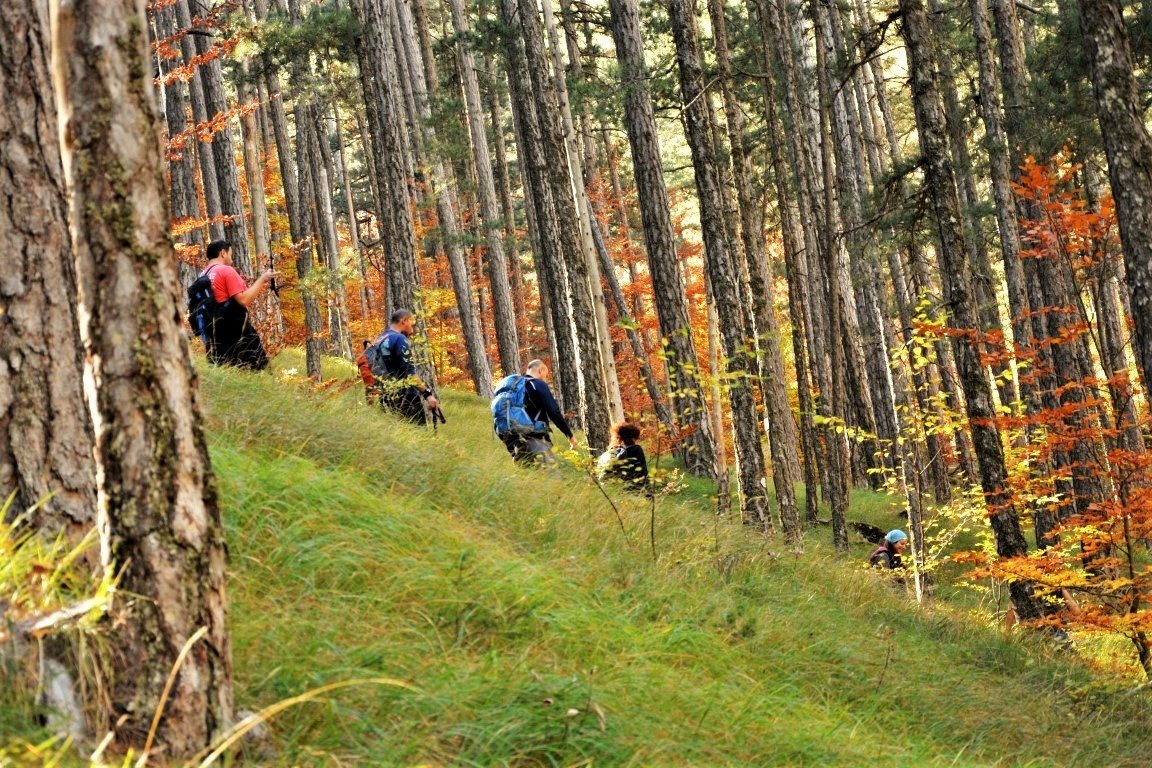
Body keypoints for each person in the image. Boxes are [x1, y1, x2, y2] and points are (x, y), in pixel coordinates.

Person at [200, 240, 278, 370]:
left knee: (222, 369)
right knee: (256, 369)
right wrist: (263, 279)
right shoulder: (226, 271)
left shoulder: (203, 274)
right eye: (230, 254)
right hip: (234, 328)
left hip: (212, 329)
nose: (231, 258)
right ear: (223, 253)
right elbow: (244, 300)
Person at [367, 309, 439, 425]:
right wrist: (428, 395)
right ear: (403, 321)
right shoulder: (400, 339)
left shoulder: (379, 339)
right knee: (418, 435)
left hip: (386, 397)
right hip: (406, 396)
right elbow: (410, 373)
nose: (413, 327)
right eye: (411, 322)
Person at [500, 359, 577, 466]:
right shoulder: (538, 384)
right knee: (550, 469)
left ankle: (522, 458)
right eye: (545, 375)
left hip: (511, 433)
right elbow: (553, 411)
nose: (545, 379)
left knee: (527, 468)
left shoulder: (514, 386)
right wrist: (570, 435)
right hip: (535, 434)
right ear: (540, 370)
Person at [597, 421, 651, 495]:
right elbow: (642, 476)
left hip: (610, 495)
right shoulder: (635, 450)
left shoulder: (606, 455)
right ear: (633, 438)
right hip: (633, 495)